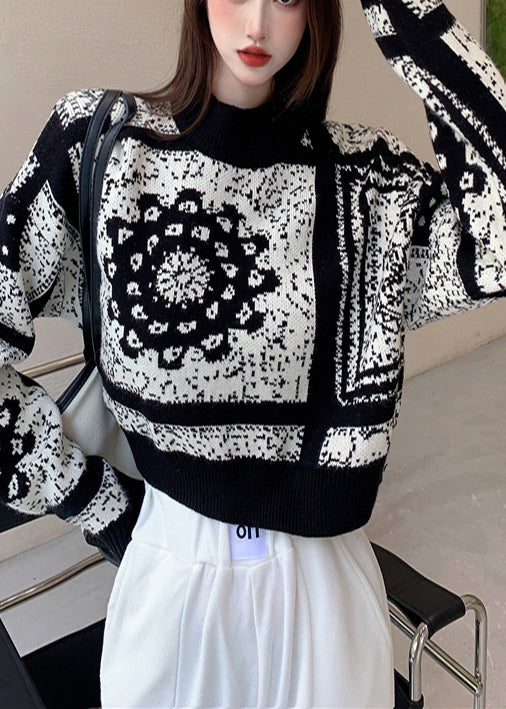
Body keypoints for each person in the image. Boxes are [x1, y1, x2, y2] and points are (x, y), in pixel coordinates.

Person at [0, 0, 504, 706]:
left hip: (328, 597)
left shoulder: (369, 184)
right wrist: (96, 501)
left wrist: (406, 13)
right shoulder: (102, 148)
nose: (258, 23)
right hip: (173, 585)